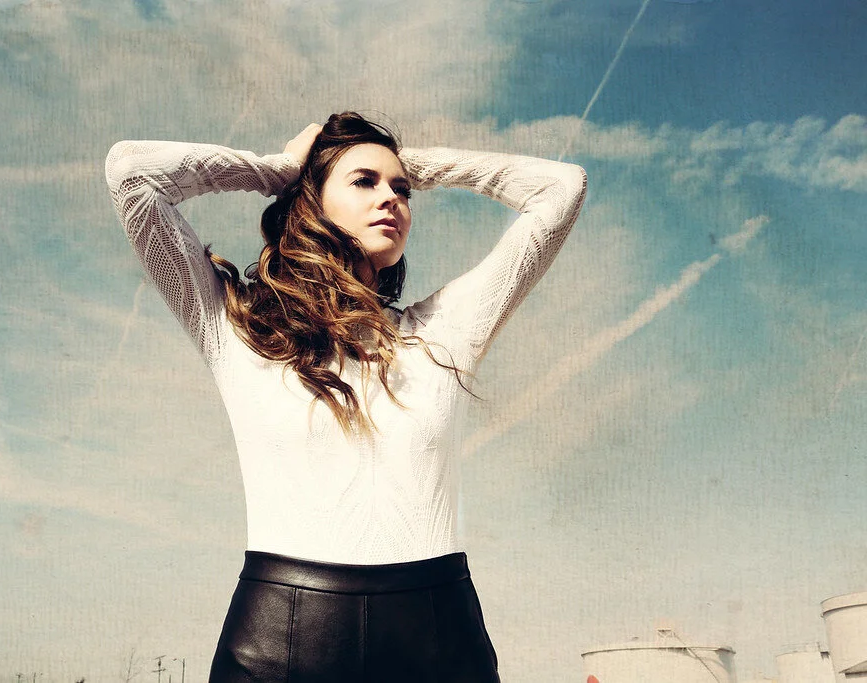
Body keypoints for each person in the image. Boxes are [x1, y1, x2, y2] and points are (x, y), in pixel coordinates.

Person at [105, 112, 587, 683]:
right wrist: (279, 170)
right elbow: (132, 173)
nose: (392, 199)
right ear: (310, 198)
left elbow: (562, 188)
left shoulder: (442, 333)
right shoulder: (235, 328)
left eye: (402, 190)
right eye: (364, 182)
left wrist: (413, 166)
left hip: (438, 636)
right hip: (279, 640)